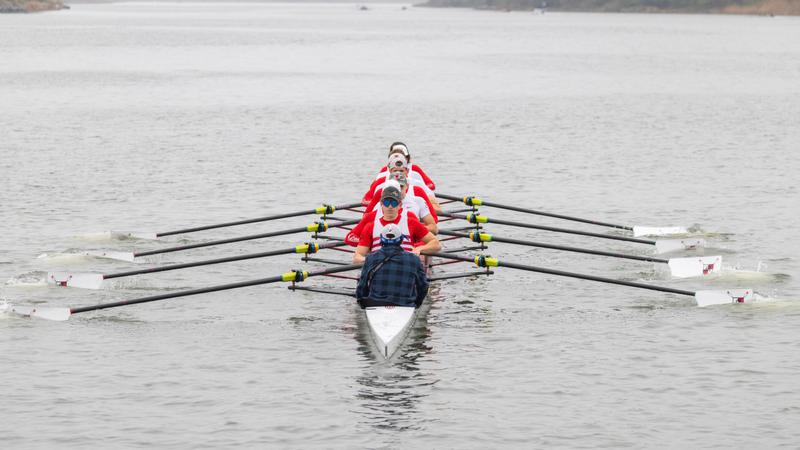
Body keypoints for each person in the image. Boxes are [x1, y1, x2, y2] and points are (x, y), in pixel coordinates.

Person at [352, 185, 441, 264]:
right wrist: (370, 260)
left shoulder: (411, 222)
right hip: (379, 268)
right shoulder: (370, 226)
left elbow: (436, 244)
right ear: (381, 204)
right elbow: (357, 257)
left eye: (394, 203)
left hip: (405, 266)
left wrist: (420, 248)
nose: (390, 206)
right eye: (386, 203)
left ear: (400, 205)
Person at [355, 223, 429, 308]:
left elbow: (361, 287)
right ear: (401, 240)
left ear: (381, 240)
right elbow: (423, 286)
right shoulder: (414, 259)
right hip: (405, 304)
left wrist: (363, 304)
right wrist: (417, 304)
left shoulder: (370, 258)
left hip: (375, 303)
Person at [363, 152, 442, 213]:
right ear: (389, 170)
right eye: (395, 171)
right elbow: (366, 213)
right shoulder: (381, 188)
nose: (398, 173)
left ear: (407, 171)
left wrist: (423, 210)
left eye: (401, 171)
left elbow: (436, 212)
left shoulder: (418, 187)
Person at [366, 172, 438, 231]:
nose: (398, 189)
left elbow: (434, 228)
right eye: (394, 186)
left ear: (407, 186)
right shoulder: (380, 205)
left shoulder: (418, 201)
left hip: (413, 240)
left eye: (401, 186)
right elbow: (368, 228)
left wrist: (415, 229)